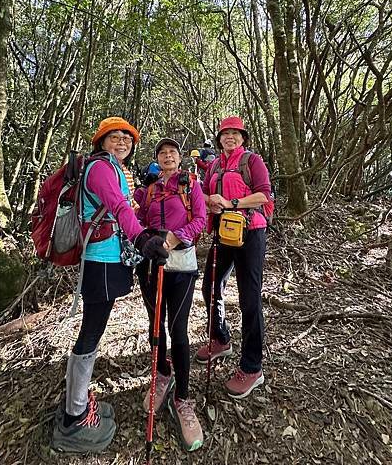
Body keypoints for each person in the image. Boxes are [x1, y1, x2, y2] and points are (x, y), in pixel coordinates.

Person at [52, 116, 169, 454]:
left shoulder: (112, 169)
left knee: (93, 329)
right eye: (114, 137)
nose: (121, 143)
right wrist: (143, 237)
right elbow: (117, 207)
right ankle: (74, 417)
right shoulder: (101, 168)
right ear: (101, 142)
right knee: (91, 331)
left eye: (127, 139)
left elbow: (121, 203)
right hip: (101, 261)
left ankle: (76, 401)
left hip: (107, 258)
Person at [136, 138, 206, 452]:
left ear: (179, 159)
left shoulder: (191, 185)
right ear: (157, 160)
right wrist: (150, 239)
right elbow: (134, 218)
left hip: (182, 267)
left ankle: (183, 399)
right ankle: (162, 375)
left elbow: (201, 220)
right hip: (151, 266)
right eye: (162, 153)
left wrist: (176, 239)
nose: (168, 156)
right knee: (156, 326)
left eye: (172, 153)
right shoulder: (148, 191)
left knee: (178, 331)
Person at [195, 116, 272, 399]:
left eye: (235, 134)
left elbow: (264, 195)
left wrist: (232, 203)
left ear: (243, 137)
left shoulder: (252, 161)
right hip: (223, 233)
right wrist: (211, 203)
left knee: (249, 297)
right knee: (210, 287)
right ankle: (220, 338)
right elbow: (201, 194)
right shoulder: (214, 165)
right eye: (225, 134)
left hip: (251, 232)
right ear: (219, 139)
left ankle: (252, 367)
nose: (229, 137)